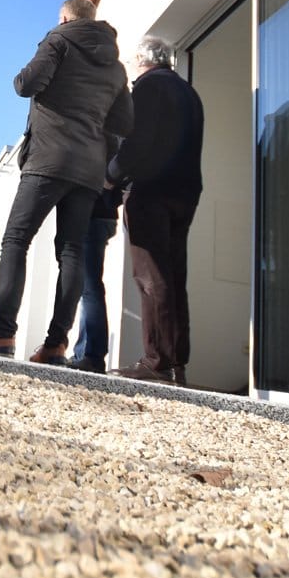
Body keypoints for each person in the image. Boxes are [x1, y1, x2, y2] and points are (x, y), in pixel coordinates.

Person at [0, 0, 132, 362]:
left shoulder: (59, 41)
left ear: (65, 18)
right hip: (88, 172)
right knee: (70, 251)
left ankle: (3, 333)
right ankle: (55, 343)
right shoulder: (115, 67)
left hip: (48, 160)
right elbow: (123, 123)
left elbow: (25, 84)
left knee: (17, 239)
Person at [108, 35, 205, 385]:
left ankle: (157, 361)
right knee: (175, 276)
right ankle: (177, 362)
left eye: (134, 62)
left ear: (141, 60)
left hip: (151, 191)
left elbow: (138, 142)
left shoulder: (147, 89)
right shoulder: (190, 94)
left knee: (151, 276)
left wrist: (111, 175)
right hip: (186, 192)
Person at [67, 168, 124, 373]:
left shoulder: (99, 138)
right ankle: (86, 352)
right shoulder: (113, 140)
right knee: (88, 287)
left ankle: (92, 354)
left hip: (94, 214)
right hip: (104, 214)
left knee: (90, 288)